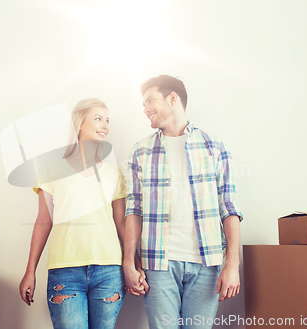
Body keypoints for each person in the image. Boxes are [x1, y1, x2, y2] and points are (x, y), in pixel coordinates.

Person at [123, 75, 243, 329]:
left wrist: (233, 263)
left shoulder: (214, 147)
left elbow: (229, 208)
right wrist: (128, 262)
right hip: (158, 264)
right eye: (143, 104)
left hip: (207, 265)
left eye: (150, 100)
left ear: (173, 98)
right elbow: (133, 210)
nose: (145, 109)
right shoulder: (140, 151)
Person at [19, 98, 129, 329]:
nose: (105, 125)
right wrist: (30, 271)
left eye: (107, 120)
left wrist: (133, 264)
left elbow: (121, 224)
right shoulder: (52, 169)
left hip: (109, 271)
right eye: (98, 118)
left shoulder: (114, 173)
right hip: (64, 271)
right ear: (80, 123)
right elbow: (43, 221)